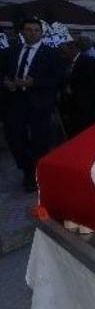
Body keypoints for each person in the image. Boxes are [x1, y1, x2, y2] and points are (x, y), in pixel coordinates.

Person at [3, 18, 64, 192]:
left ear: (41, 33)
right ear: (22, 32)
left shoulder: (50, 54)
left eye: (36, 30)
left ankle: (34, 175)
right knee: (14, 138)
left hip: (40, 103)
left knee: (39, 140)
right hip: (15, 102)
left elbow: (58, 78)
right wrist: (6, 82)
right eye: (28, 30)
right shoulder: (11, 52)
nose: (32, 33)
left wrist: (34, 83)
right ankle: (26, 168)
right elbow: (4, 72)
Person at [59, 37, 95, 138]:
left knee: (84, 129)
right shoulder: (65, 62)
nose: (63, 54)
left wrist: (70, 81)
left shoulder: (89, 61)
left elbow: (90, 79)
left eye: (65, 51)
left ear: (74, 49)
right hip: (71, 104)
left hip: (84, 102)